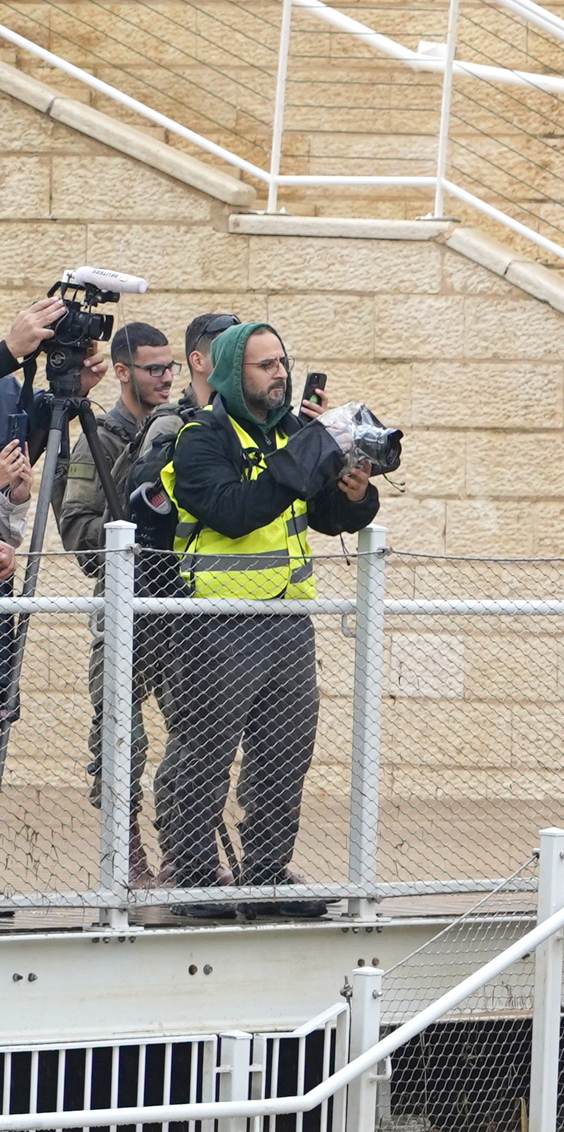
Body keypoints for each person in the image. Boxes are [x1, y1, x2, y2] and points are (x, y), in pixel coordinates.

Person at [151, 320, 381, 915]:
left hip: (287, 619)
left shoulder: (291, 435)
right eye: (265, 365)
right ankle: (195, 878)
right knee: (204, 751)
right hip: (217, 621)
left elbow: (327, 517)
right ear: (232, 373)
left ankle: (267, 877)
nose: (280, 373)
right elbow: (234, 512)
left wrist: (353, 492)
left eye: (282, 361)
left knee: (285, 750)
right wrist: (304, 451)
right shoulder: (200, 437)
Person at [50, 318, 177, 882]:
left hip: (178, 599)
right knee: (121, 733)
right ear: (121, 372)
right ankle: (125, 856)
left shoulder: (179, 428)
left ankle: (186, 855)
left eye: (170, 366)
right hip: (122, 602)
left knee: (196, 731)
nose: (166, 378)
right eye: (154, 368)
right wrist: (135, 496)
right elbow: (80, 538)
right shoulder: (100, 439)